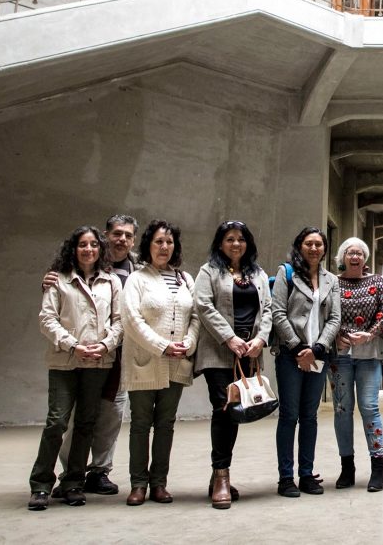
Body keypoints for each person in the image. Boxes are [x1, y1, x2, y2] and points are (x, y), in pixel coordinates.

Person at [28, 226, 122, 511]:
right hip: (65, 361)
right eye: (83, 244)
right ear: (74, 248)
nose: (89, 249)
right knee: (57, 422)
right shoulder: (58, 280)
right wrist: (72, 345)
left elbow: (120, 321)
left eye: (94, 244)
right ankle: (41, 485)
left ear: (100, 249)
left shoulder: (111, 282)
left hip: (98, 361)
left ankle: (73, 482)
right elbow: (47, 319)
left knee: (85, 423)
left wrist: (106, 345)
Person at [45, 215, 139, 498]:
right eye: (116, 233)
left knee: (111, 414)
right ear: (105, 235)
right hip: (81, 354)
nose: (121, 239)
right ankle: (70, 473)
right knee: (73, 417)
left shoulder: (139, 269)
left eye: (128, 235)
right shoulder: (77, 267)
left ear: (134, 240)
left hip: (120, 356)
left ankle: (99, 471)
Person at [193, 221, 272, 509]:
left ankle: (218, 474)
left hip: (249, 353)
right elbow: (203, 305)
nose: (235, 244)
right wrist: (229, 338)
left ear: (248, 243)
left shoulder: (258, 274)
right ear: (220, 243)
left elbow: (268, 309)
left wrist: (261, 339)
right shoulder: (209, 271)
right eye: (229, 239)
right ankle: (222, 475)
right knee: (224, 409)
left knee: (236, 410)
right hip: (218, 352)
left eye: (240, 239)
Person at [120, 219, 199, 506]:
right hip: (144, 361)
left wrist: (188, 343)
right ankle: (138, 484)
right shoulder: (137, 279)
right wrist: (161, 346)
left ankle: (159, 483)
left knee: (166, 423)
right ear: (148, 245)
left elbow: (195, 317)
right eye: (158, 241)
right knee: (141, 424)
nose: (164, 247)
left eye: (169, 242)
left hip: (177, 363)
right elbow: (131, 320)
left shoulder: (186, 279)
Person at [270, 226, 341, 498]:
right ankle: (286, 478)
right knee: (289, 416)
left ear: (324, 249)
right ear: (300, 246)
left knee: (309, 417)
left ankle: (307, 474)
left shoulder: (330, 280)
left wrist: (319, 346)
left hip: (319, 354)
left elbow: (335, 318)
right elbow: (278, 313)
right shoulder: (286, 273)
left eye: (319, 244)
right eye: (309, 244)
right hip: (291, 355)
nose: (314, 248)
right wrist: (299, 347)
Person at [330, 237, 383, 492]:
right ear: (343, 257)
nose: (354, 257)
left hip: (370, 354)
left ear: (365, 258)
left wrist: (369, 334)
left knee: (369, 407)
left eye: (359, 253)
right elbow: (326, 313)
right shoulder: (332, 282)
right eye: (350, 253)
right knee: (342, 410)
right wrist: (338, 335)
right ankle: (347, 467)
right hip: (340, 355)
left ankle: (377, 467)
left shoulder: (377, 281)